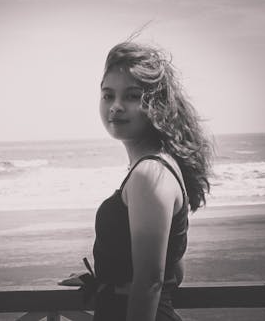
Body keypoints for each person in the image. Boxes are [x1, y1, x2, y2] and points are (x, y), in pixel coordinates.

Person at [92, 41, 213, 321]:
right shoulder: (159, 167)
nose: (116, 107)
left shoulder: (150, 174)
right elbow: (174, 272)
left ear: (157, 105)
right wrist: (108, 279)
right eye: (108, 95)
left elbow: (150, 283)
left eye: (132, 96)